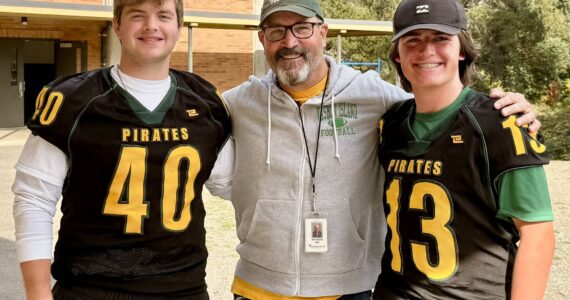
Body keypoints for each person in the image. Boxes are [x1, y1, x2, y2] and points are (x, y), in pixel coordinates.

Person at [205, 0, 540, 299]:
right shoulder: (238, 102)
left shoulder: (375, 96)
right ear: (263, 39)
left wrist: (506, 108)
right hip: (257, 285)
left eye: (302, 28)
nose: (290, 42)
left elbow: (439, 103)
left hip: (350, 288)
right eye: (277, 31)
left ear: (323, 33)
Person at [12, 0, 230, 298]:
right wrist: (38, 293)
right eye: (137, 15)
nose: (151, 25)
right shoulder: (73, 100)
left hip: (183, 288)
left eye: (163, 16)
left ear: (179, 28)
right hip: (90, 289)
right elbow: (34, 200)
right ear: (117, 25)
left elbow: (232, 185)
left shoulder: (206, 104)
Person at [373, 0, 555, 298]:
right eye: (413, 40)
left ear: (461, 50)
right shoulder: (390, 124)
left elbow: (536, 232)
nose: (426, 50)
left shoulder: (502, 123)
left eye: (441, 38)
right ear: (397, 53)